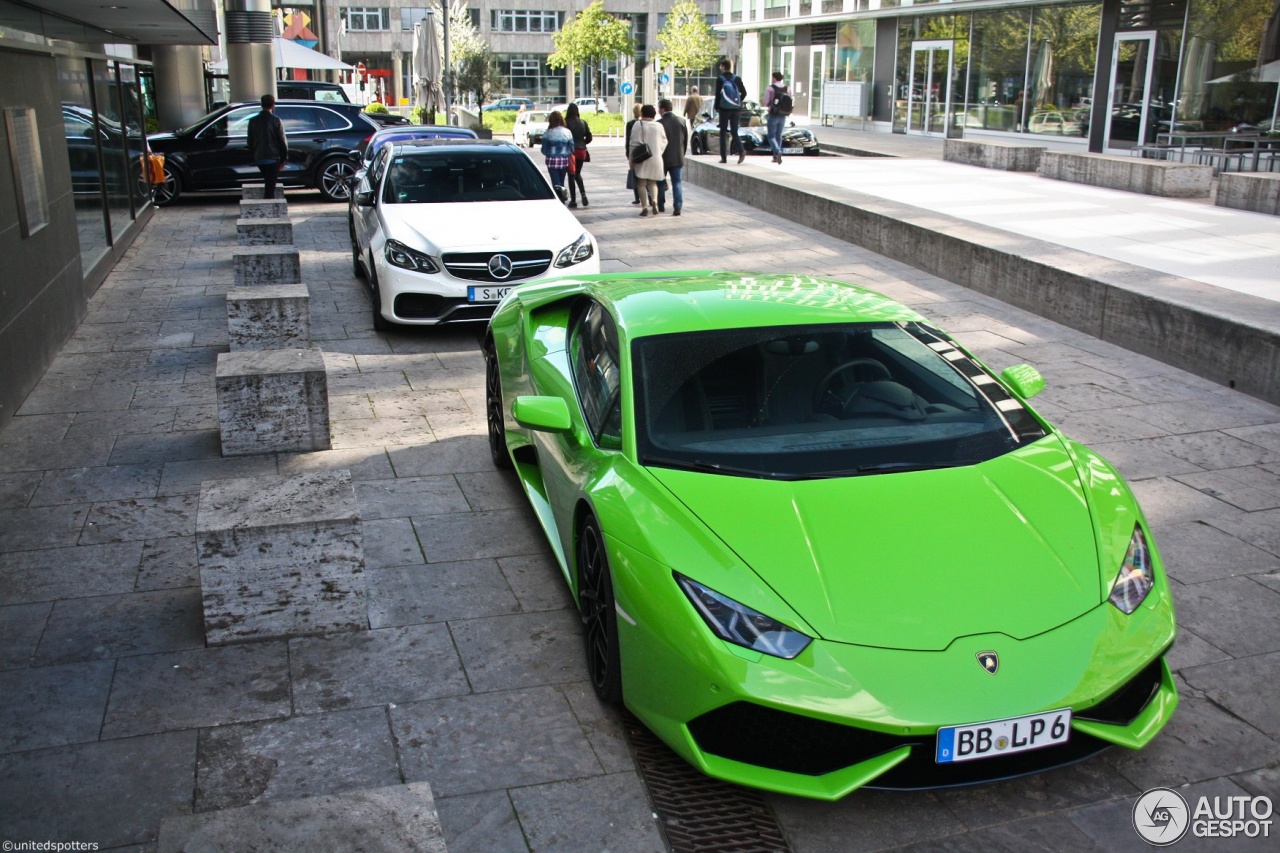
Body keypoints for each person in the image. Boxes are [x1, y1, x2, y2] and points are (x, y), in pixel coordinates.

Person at [628, 104, 667, 217]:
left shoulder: (637, 124)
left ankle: (644, 206)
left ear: (642, 113)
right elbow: (665, 141)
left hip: (642, 158)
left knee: (641, 183)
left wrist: (631, 159)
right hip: (656, 158)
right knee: (652, 182)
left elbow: (633, 143)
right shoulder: (659, 126)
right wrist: (658, 152)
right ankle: (654, 200)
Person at [246, 93, 287, 199]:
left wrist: (254, 154)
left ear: (261, 104)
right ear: (273, 105)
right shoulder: (276, 120)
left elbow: (250, 141)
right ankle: (269, 208)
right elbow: (282, 141)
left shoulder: (252, 121)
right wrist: (283, 159)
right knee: (270, 186)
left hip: (259, 157)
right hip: (273, 157)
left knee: (268, 181)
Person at [656, 99, 688, 216]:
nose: (658, 111)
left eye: (659, 108)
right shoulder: (681, 121)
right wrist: (681, 154)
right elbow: (685, 141)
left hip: (662, 158)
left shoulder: (659, 123)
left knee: (660, 182)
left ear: (663, 109)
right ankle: (677, 207)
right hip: (677, 157)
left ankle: (661, 205)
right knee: (677, 183)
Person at [715, 59, 747, 164]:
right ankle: (741, 150)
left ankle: (724, 158)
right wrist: (737, 101)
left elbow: (717, 95)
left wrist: (717, 107)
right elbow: (744, 92)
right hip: (736, 109)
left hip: (724, 109)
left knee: (723, 132)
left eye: (721, 66)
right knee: (734, 131)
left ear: (724, 67)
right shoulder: (737, 79)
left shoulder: (720, 79)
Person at [540, 110, 574, 203]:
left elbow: (544, 150)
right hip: (564, 160)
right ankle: (562, 198)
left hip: (552, 161)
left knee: (555, 182)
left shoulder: (548, 133)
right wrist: (565, 153)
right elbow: (572, 148)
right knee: (561, 181)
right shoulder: (567, 132)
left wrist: (550, 153)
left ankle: (558, 199)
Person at [564, 103, 593, 209]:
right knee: (578, 173)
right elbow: (589, 137)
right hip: (581, 151)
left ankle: (573, 200)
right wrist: (583, 143)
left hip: (571, 151)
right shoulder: (583, 122)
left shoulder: (566, 122)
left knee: (571, 175)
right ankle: (583, 194)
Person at [763, 71, 789, 164]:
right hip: (783, 115)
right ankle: (775, 157)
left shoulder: (770, 88)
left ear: (774, 78)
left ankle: (777, 151)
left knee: (771, 136)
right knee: (778, 136)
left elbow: (766, 102)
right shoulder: (787, 88)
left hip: (773, 114)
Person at [625, 103, 643, 205]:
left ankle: (637, 197)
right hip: (644, 151)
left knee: (634, 174)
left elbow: (628, 140)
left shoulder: (630, 124)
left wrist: (627, 152)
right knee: (645, 173)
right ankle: (648, 196)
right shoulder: (644, 123)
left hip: (633, 152)